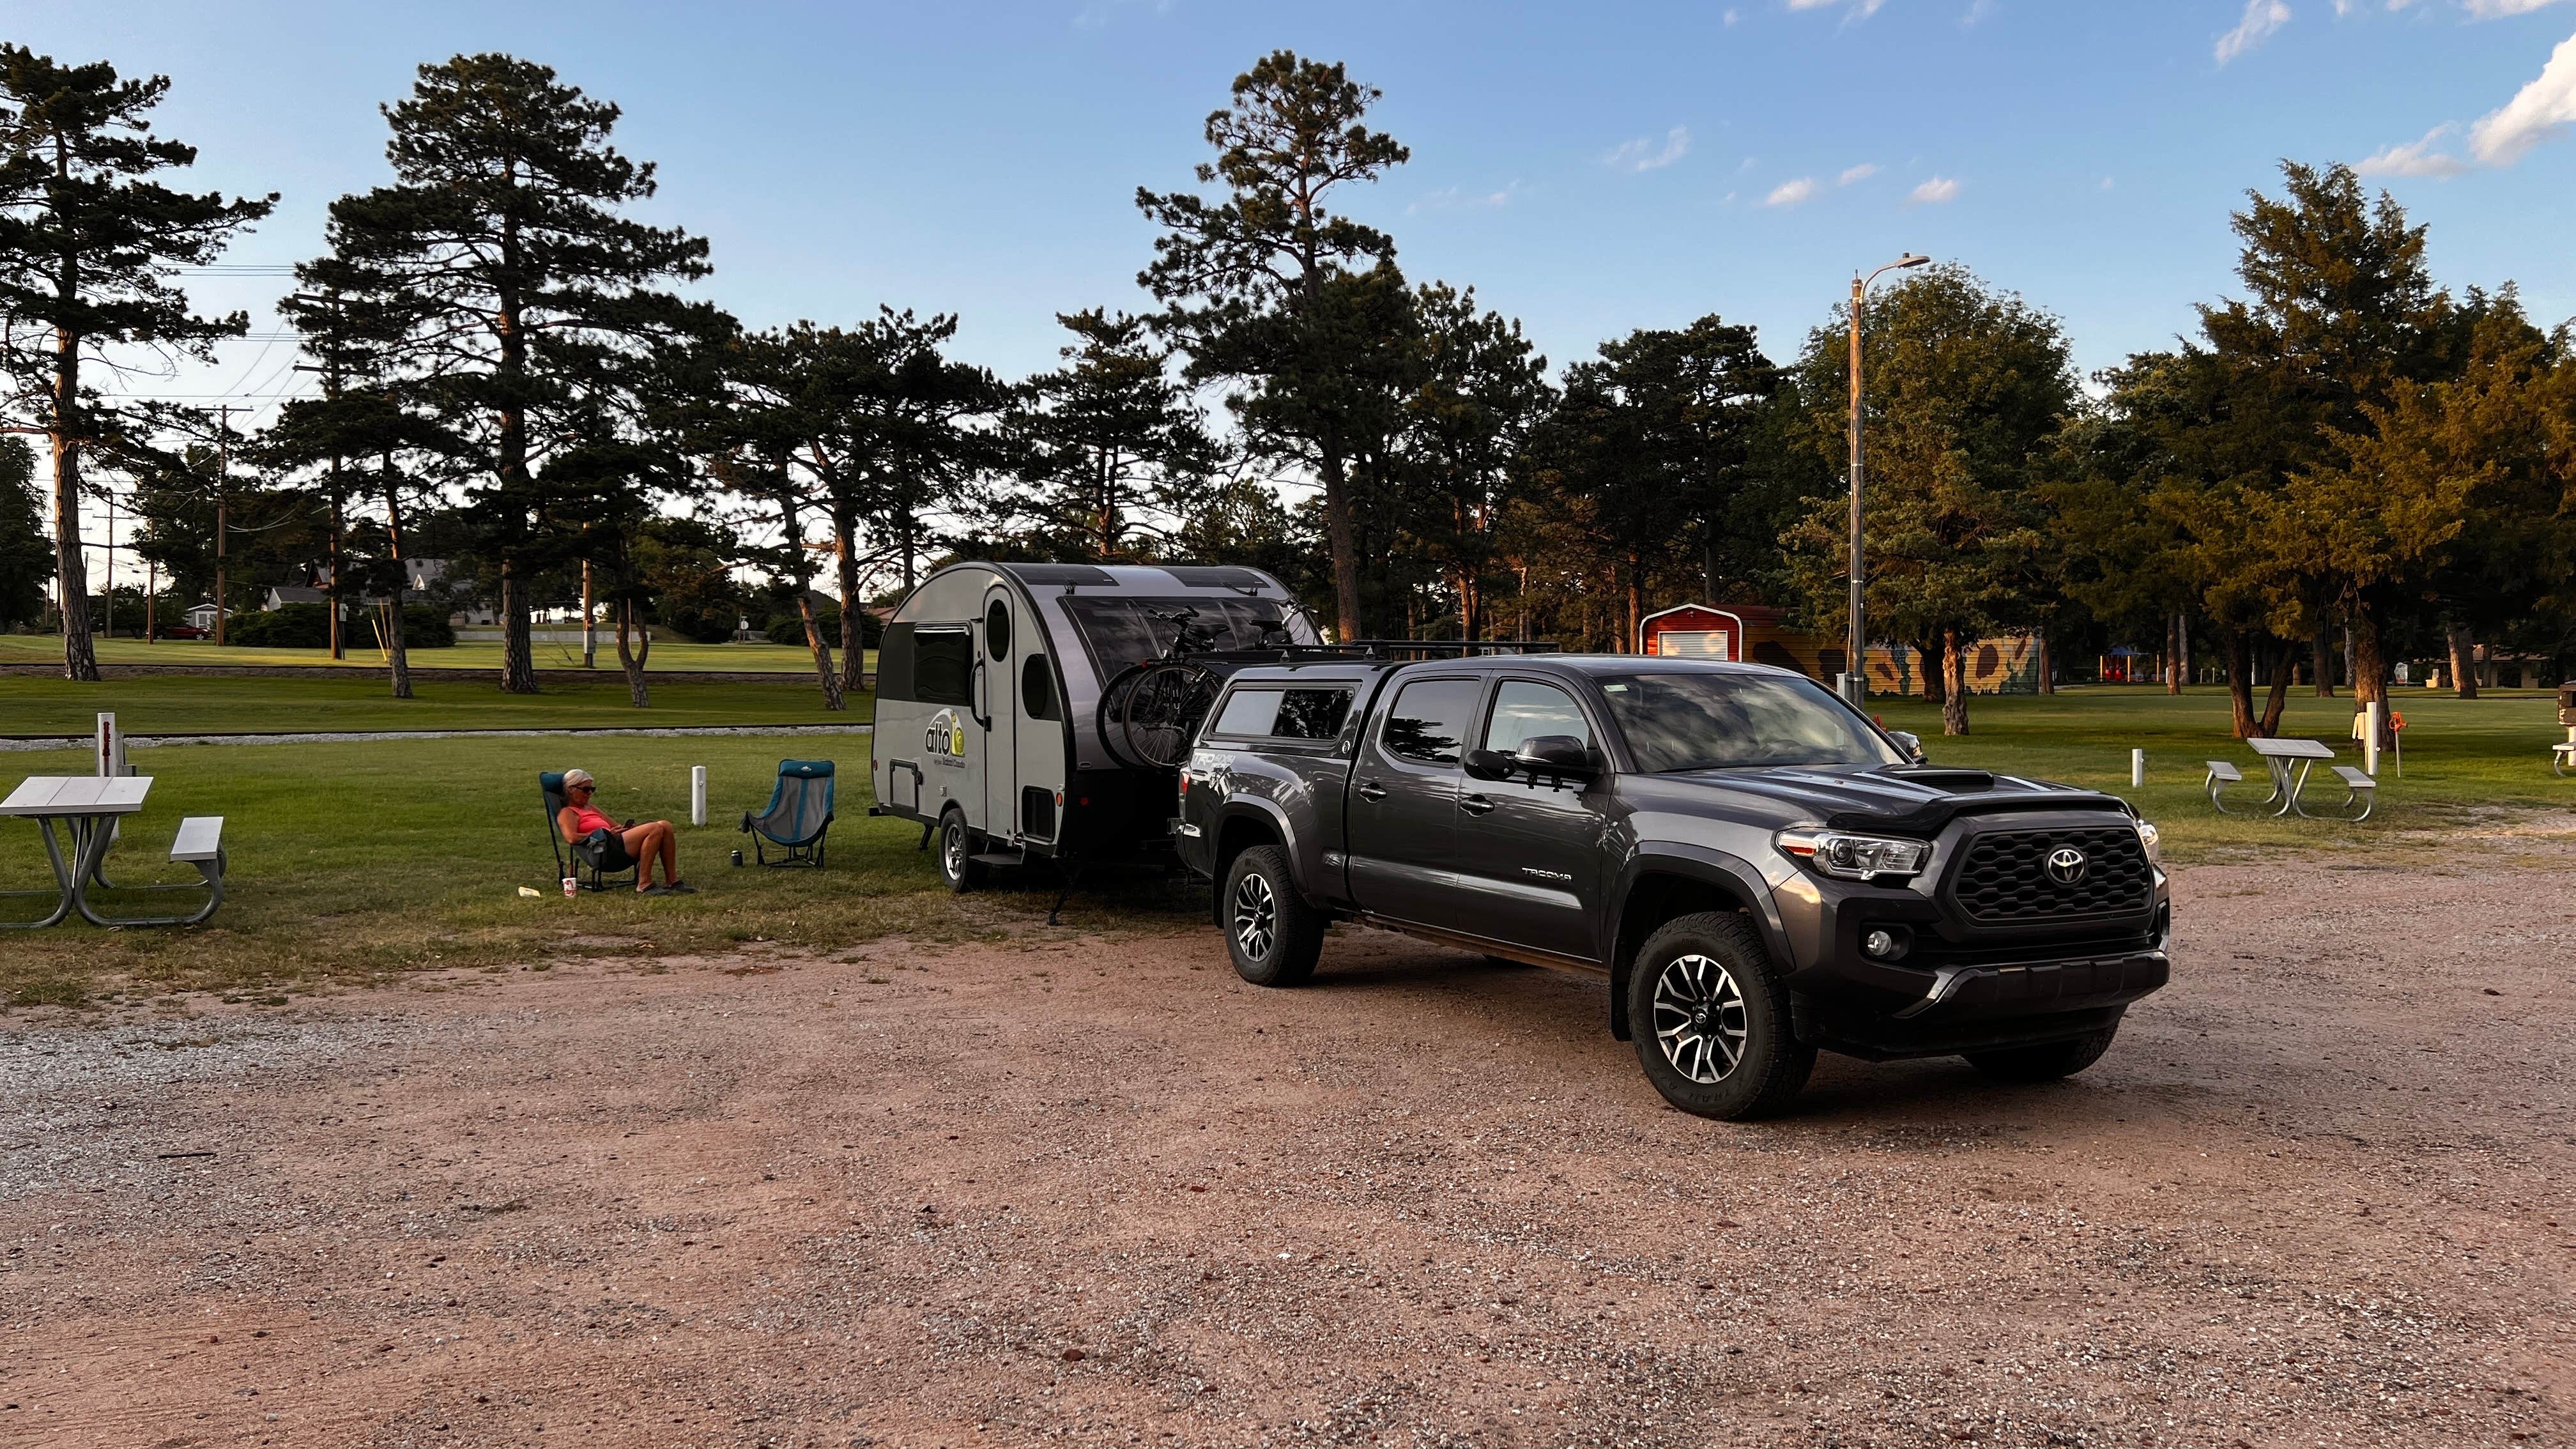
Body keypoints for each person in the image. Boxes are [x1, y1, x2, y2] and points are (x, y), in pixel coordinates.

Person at [555, 767, 693, 895]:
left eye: (592, 789)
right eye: (586, 789)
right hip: (602, 851)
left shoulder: (591, 808)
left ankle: (672, 881)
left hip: (616, 843)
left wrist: (626, 829)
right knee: (655, 828)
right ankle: (644, 883)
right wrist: (603, 834)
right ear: (571, 789)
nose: (590, 793)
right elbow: (571, 838)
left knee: (665, 825)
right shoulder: (567, 813)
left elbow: (616, 827)